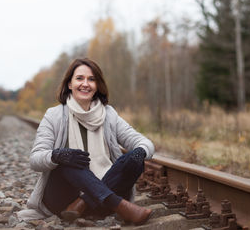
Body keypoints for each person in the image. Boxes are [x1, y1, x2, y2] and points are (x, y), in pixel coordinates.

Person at [25, 58, 155, 225]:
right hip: (63, 200)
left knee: (135, 158)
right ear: (69, 84)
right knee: (67, 158)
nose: (85, 84)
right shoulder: (54, 115)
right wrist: (57, 155)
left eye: (91, 79)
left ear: (97, 85)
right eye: (79, 78)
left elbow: (146, 143)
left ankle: (83, 203)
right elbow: (35, 159)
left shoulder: (109, 115)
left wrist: (141, 151)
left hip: (99, 202)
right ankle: (119, 205)